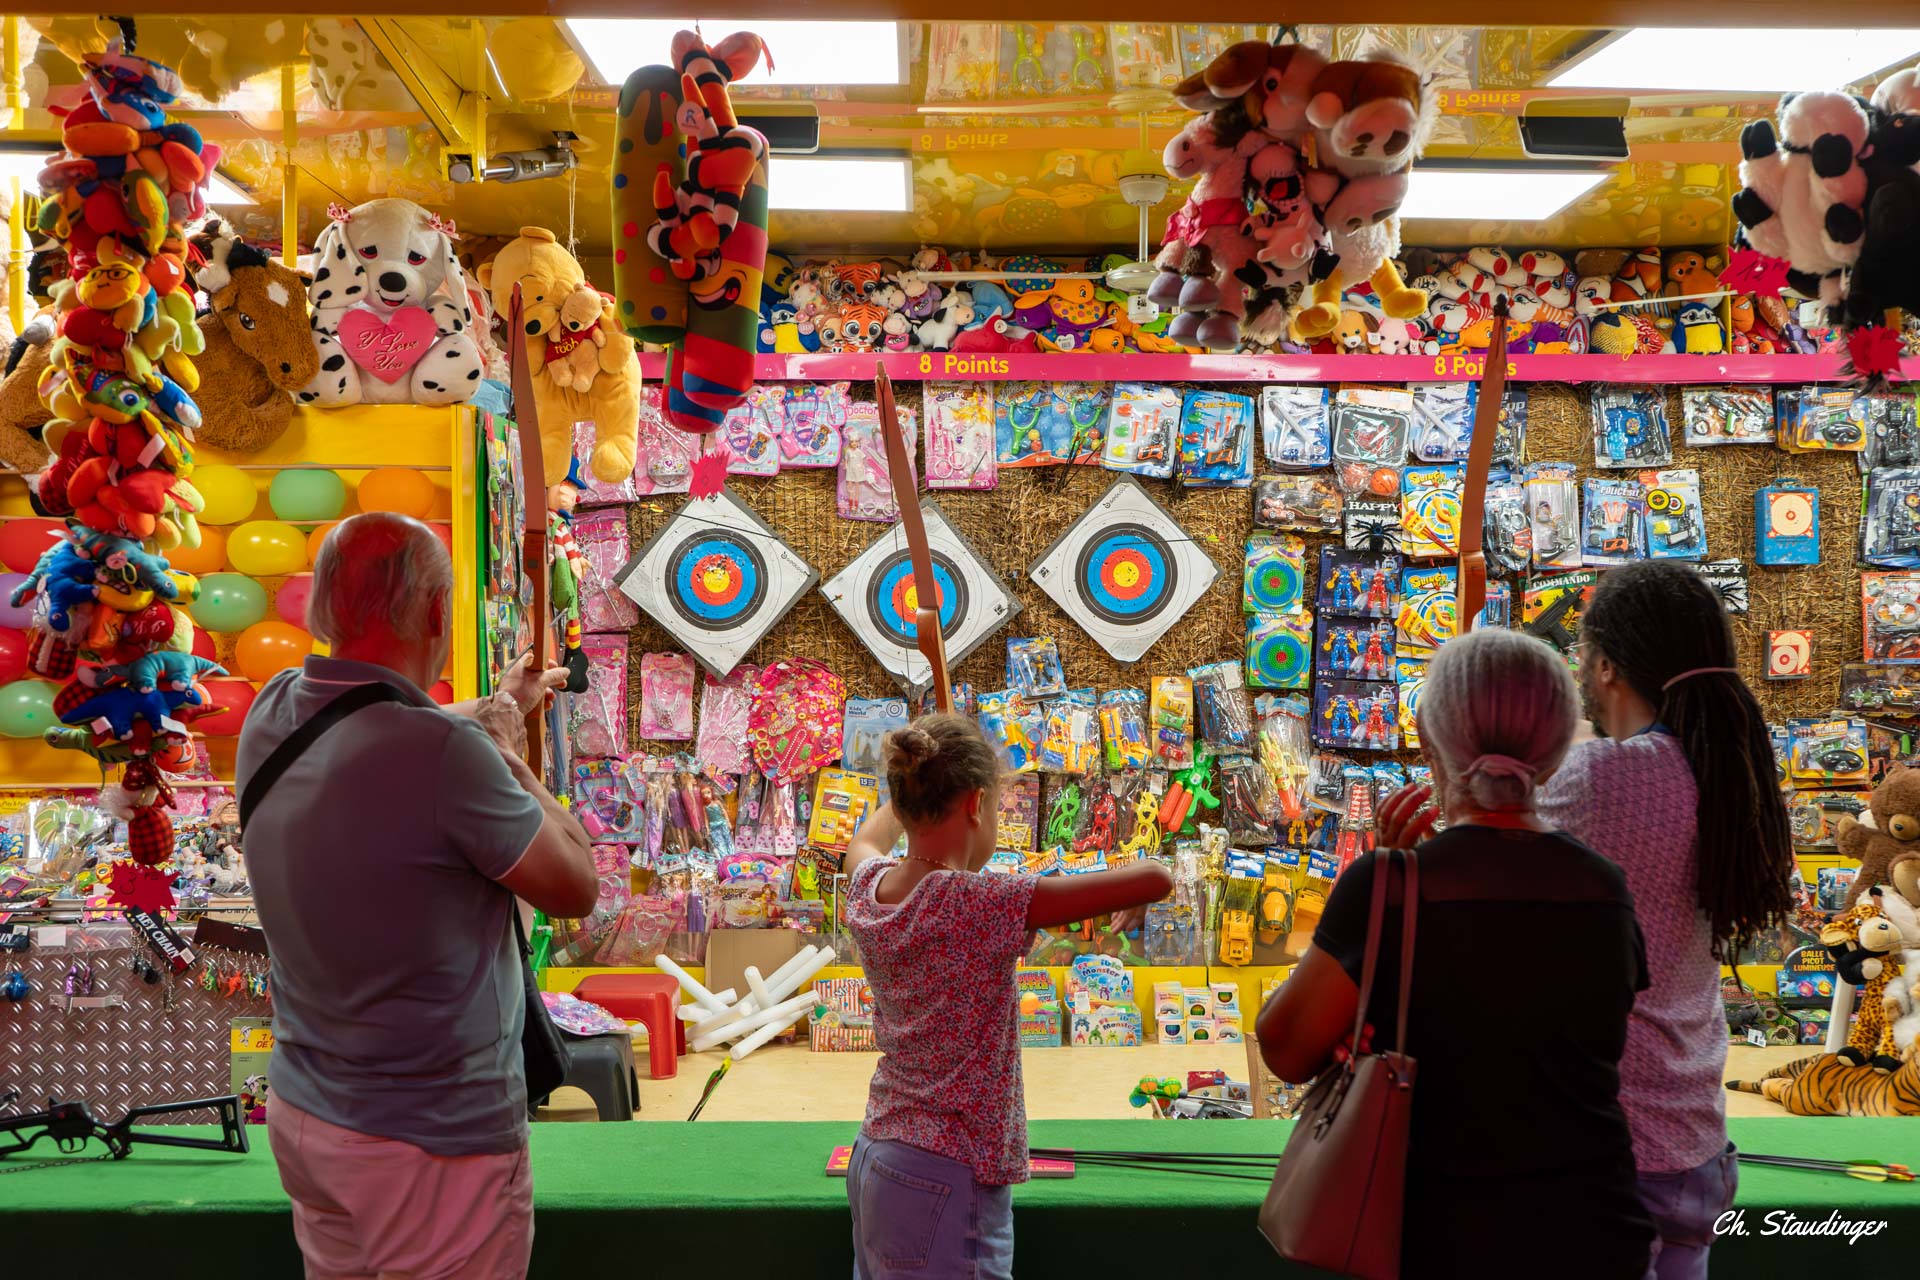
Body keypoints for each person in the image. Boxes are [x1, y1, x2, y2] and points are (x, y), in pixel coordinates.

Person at [238, 511, 596, 1280]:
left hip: (308, 1111)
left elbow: (375, 725)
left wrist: (497, 707)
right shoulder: (448, 756)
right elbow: (575, 885)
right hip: (431, 1142)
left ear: (320, 606)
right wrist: (510, 758)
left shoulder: (274, 710)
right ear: (437, 611)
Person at [1258, 629, 1654, 1278]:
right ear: (1556, 751)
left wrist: (1384, 887)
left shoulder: (1392, 887)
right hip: (1593, 1231)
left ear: (1427, 737)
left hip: (1431, 1237)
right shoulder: (1604, 888)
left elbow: (1286, 1047)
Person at [840, 714, 1173, 1279]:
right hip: (948, 1172)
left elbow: (866, 840)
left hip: (878, 1152)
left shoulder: (868, 886)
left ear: (907, 799)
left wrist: (914, 790)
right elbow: (1156, 877)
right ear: (975, 804)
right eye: (995, 805)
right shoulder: (979, 901)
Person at [1536, 561, 1793, 1280]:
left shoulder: (1601, 777)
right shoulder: (1728, 771)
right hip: (1696, 1141)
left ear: (1607, 665)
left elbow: (1481, 846)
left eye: (1583, 652)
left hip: (1617, 1146)